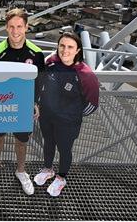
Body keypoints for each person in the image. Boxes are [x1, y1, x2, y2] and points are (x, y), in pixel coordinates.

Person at [0, 8, 44, 195]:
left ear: (26, 27)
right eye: (11, 27)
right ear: (6, 28)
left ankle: (21, 171)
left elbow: (41, 81)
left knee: (22, 141)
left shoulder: (36, 53)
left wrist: (36, 103)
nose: (15, 31)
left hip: (23, 104)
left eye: (19, 27)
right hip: (0, 103)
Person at [34, 32, 100, 196]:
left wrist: (73, 115)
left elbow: (92, 103)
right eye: (62, 46)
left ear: (78, 50)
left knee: (65, 149)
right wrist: (39, 104)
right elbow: (40, 84)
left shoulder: (85, 74)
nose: (65, 50)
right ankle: (48, 169)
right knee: (48, 143)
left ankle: (61, 177)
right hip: (47, 116)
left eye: (70, 47)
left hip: (68, 122)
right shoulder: (50, 63)